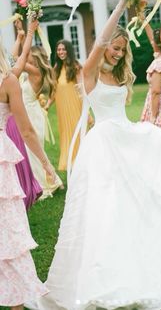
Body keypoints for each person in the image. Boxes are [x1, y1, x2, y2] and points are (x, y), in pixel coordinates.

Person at [26, 0, 161, 310]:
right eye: (115, 47)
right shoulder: (90, 72)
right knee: (109, 208)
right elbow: (98, 44)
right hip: (105, 146)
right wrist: (122, 5)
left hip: (129, 137)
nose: (119, 52)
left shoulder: (120, 74)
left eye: (123, 49)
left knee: (159, 192)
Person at [0, 32, 56, 309]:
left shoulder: (10, 77)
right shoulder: (7, 80)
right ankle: (16, 302)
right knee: (9, 230)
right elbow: (26, 130)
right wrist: (46, 164)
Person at [12, 29, 63, 198]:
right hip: (30, 112)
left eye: (29, 55)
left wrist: (22, 39)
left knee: (32, 152)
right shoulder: (34, 72)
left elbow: (15, 57)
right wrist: (20, 37)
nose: (26, 57)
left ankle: (43, 184)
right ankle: (47, 180)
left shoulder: (36, 72)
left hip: (31, 114)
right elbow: (18, 57)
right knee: (30, 151)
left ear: (35, 58)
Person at [6, 21, 42, 210]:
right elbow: (20, 57)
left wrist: (25, 35)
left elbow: (19, 57)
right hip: (12, 126)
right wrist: (28, 33)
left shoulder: (9, 76)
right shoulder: (8, 78)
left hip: (12, 125)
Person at [45, 40, 83, 171]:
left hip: (75, 107)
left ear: (69, 51)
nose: (61, 52)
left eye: (63, 49)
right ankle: (71, 166)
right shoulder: (56, 68)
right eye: (59, 50)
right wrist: (48, 105)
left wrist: (86, 112)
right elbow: (54, 91)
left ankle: (80, 164)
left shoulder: (76, 67)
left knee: (77, 135)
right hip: (62, 109)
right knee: (66, 134)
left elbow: (81, 89)